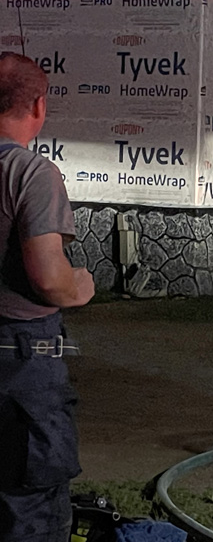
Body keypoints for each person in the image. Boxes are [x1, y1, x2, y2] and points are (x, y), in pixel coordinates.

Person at [0, 52, 95, 542]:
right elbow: (50, 281)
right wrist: (82, 282)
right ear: (38, 105)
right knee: (29, 510)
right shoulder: (30, 174)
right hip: (20, 367)